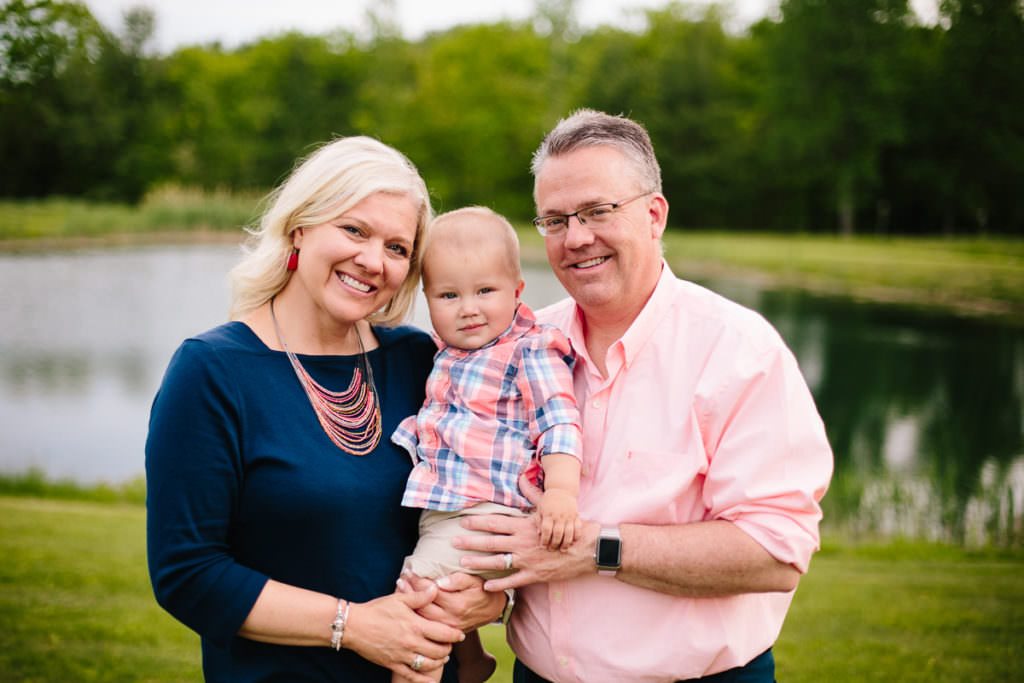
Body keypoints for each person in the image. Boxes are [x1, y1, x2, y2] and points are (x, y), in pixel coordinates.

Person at [455, 109, 834, 682]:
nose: (576, 238)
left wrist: (593, 549)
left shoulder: (738, 349)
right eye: (554, 220)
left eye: (597, 212)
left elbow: (775, 551)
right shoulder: (522, 346)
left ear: (653, 214)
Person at [145, 136, 506, 683]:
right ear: (301, 227)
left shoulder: (420, 361)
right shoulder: (213, 372)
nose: (371, 261)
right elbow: (188, 572)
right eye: (354, 230)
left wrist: (488, 598)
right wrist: (354, 625)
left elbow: (485, 493)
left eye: (397, 247)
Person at [391, 206, 583, 683]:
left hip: (488, 517)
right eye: (448, 294)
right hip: (449, 511)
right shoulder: (449, 351)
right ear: (427, 299)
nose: (468, 308)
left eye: (485, 291)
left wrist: (560, 493)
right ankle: (472, 661)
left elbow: (558, 421)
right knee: (445, 592)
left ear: (517, 292)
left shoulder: (528, 349)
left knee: (415, 608)